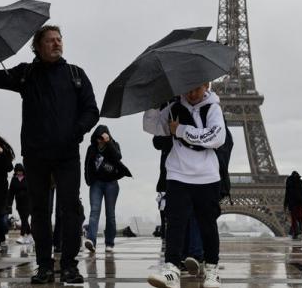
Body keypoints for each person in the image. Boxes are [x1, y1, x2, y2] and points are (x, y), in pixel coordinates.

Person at [0, 25, 99, 284]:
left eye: (59, 39)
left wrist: (76, 131)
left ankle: (69, 265)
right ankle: (44, 265)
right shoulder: (27, 73)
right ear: (38, 46)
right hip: (36, 154)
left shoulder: (75, 74)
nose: (57, 44)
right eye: (50, 41)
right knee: (40, 211)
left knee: (69, 209)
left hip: (67, 153)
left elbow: (92, 110)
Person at [143, 82, 226, 288]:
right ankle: (171, 267)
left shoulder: (213, 107)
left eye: (197, 88)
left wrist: (180, 130)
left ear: (207, 85)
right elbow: (152, 127)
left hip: (207, 175)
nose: (192, 93)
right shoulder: (173, 107)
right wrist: (154, 103)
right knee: (175, 223)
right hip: (178, 173)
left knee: (207, 225)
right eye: (188, 88)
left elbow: (217, 137)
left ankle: (212, 268)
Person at [83, 124, 131, 253]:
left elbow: (118, 157)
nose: (100, 140)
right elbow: (87, 165)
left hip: (111, 184)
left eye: (102, 138)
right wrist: (88, 180)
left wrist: (109, 143)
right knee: (94, 212)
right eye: (98, 138)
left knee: (110, 214)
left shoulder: (113, 145)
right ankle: (91, 240)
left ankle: (109, 242)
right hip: (96, 184)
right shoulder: (91, 148)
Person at [8, 163, 32, 244]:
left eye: (20, 171)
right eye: (17, 171)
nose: (19, 173)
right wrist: (10, 203)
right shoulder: (14, 179)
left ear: (23, 171)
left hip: (28, 202)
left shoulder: (27, 178)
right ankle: (29, 235)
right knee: (23, 219)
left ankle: (21, 236)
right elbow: (11, 192)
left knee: (25, 218)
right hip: (19, 202)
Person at [284, 171, 302, 241]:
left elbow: (287, 194)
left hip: (293, 204)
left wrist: (286, 204)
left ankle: (295, 233)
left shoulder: (289, 182)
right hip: (300, 204)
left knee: (294, 220)